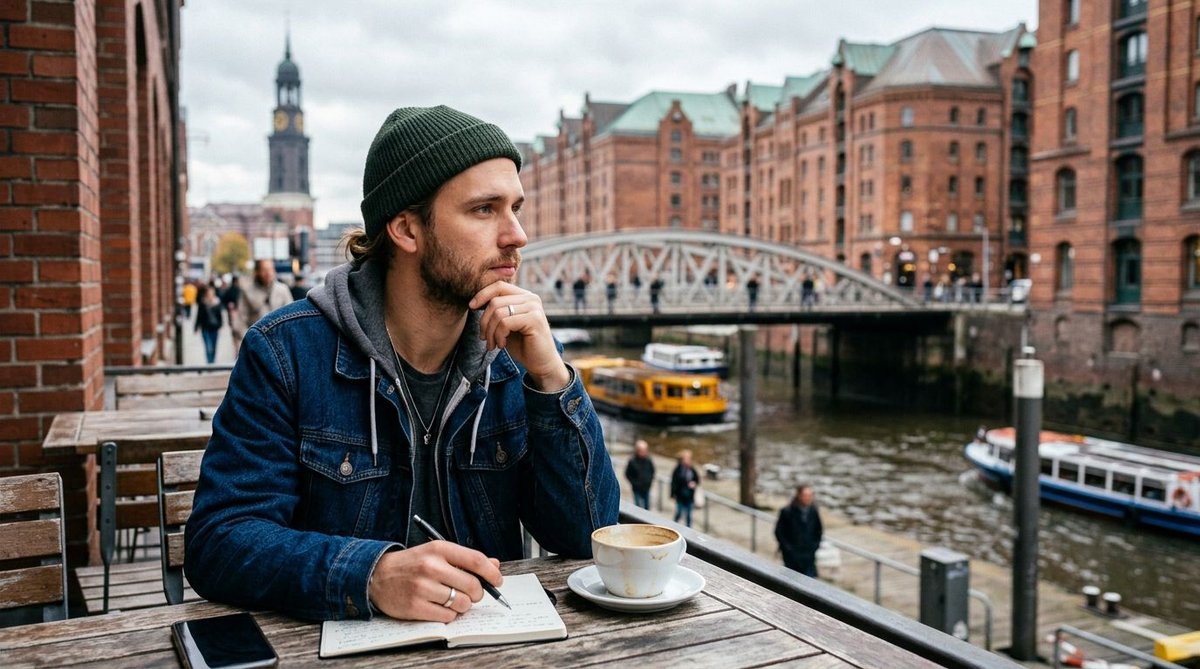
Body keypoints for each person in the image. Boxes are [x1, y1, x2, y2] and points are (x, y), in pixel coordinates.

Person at [186, 105, 620, 624]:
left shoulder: (514, 361)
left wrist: (553, 382)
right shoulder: (286, 353)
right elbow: (221, 540)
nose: (517, 235)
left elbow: (588, 537)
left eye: (516, 208)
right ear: (407, 229)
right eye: (485, 210)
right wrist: (370, 575)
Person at [231, 259, 293, 356]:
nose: (268, 273)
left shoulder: (283, 290)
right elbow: (240, 321)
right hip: (257, 346)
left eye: (270, 269)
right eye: (264, 270)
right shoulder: (247, 292)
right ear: (257, 272)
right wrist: (250, 342)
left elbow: (291, 316)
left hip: (281, 345)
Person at [774, 483, 824, 577]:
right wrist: (788, 549)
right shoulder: (787, 512)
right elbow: (779, 532)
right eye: (805, 495)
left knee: (809, 584)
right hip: (791, 557)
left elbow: (818, 531)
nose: (808, 498)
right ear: (799, 496)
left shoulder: (813, 511)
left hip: (809, 556)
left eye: (810, 495)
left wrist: (814, 547)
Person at [193, 285, 224, 364]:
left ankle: (212, 362)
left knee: (213, 347)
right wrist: (196, 327)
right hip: (205, 328)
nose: (210, 295)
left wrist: (220, 324)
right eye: (209, 293)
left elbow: (219, 315)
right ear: (206, 294)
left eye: (212, 293)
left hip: (215, 328)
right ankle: (209, 363)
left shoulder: (217, 303)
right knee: (208, 347)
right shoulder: (202, 303)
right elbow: (199, 315)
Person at [669, 450, 700, 527]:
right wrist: (672, 494)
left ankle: (689, 531)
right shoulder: (678, 469)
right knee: (679, 513)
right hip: (680, 496)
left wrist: (694, 483)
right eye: (686, 458)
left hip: (689, 496)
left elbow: (697, 479)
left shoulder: (692, 469)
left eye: (689, 458)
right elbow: (674, 482)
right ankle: (674, 526)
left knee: (689, 515)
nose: (688, 460)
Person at [625, 439, 655, 510]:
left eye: (645, 450)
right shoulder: (632, 461)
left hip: (646, 487)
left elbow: (652, 471)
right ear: (638, 450)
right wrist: (634, 483)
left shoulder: (648, 460)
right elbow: (627, 474)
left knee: (647, 507)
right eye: (642, 450)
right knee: (638, 507)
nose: (644, 452)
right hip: (637, 488)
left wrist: (649, 481)